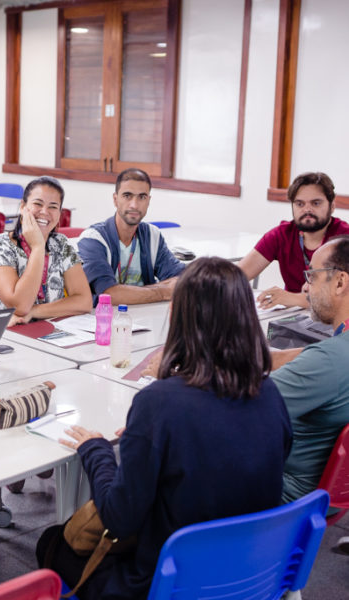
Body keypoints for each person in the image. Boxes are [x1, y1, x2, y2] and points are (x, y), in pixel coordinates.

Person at [36, 257, 292, 600]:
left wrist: (97, 451)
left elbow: (118, 518)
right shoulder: (269, 392)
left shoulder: (159, 404)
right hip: (251, 572)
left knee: (51, 542)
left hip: (167, 581)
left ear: (176, 315)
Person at [269, 235, 349, 504]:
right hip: (334, 494)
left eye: (312, 276)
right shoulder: (334, 354)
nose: (305, 287)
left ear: (340, 282)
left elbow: (243, 409)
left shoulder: (328, 360)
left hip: (287, 500)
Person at [0, 176, 92, 326]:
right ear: (23, 207)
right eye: (38, 204)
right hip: (3, 334)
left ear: (59, 213)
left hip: (47, 332)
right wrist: (38, 247)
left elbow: (84, 301)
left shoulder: (61, 244)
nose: (44, 212)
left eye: (53, 207)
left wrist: (34, 311)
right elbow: (20, 306)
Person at [239, 171, 349, 310]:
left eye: (316, 203)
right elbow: (237, 276)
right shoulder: (281, 235)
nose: (307, 210)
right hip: (292, 315)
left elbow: (343, 299)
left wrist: (293, 298)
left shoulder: (344, 238)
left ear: (332, 206)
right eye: (299, 204)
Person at [78, 168, 185, 306]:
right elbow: (109, 295)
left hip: (146, 314)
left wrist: (129, 294)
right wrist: (163, 291)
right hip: (106, 317)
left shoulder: (153, 235)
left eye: (142, 197)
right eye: (127, 196)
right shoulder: (93, 239)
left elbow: (182, 280)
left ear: (148, 201)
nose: (134, 205)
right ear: (115, 199)